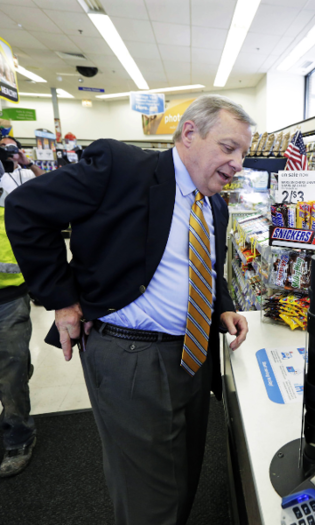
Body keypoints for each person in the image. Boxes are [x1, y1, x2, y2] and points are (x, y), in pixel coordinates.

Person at [5, 94, 252, 524]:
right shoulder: (121, 167)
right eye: (229, 148)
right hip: (130, 357)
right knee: (147, 494)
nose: (238, 163)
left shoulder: (213, 204)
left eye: (244, 153)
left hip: (193, 356)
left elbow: (207, 268)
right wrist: (62, 300)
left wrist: (223, 308)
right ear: (189, 133)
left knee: (185, 471)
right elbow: (26, 210)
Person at [0, 136, 44, 477]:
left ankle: (18, 437)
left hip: (9, 298)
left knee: (12, 369)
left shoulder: (14, 186)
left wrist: (24, 162)